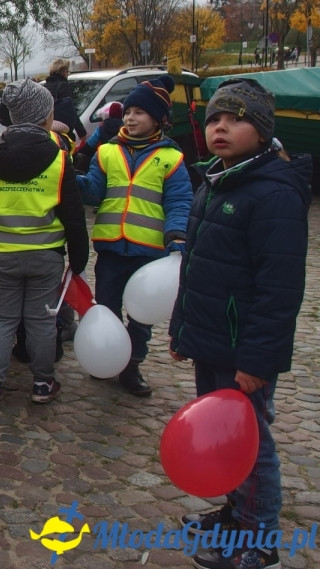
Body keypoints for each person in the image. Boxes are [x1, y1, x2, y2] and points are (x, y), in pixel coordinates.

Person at [170, 79, 312, 569]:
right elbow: (196, 269)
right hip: (212, 342)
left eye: (235, 118)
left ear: (263, 129)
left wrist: (257, 359)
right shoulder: (216, 180)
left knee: (251, 443)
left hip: (243, 351)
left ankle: (260, 540)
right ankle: (236, 514)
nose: (221, 127)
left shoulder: (273, 194)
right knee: (224, 437)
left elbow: (279, 291)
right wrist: (181, 327)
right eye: (214, 119)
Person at [0, 79, 88, 409]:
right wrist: (78, 258)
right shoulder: (60, 159)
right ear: (46, 117)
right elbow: (73, 214)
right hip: (46, 254)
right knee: (40, 322)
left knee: (1, 320)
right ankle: (42, 382)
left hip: (2, 252)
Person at [77, 75, 192, 397]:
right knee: (108, 309)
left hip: (149, 252)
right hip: (112, 248)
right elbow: (95, 190)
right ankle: (107, 357)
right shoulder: (107, 152)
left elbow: (180, 201)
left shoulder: (171, 159)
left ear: (158, 118)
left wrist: (177, 235)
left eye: (139, 112)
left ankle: (132, 366)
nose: (130, 117)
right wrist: (74, 180)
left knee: (141, 318)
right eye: (128, 111)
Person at [43, 58, 87, 143]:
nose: (68, 74)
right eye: (68, 72)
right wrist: (81, 132)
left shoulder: (45, 85)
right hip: (62, 129)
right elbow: (71, 110)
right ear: (63, 72)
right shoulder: (63, 86)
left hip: (48, 127)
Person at [73, 101, 123, 173]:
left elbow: (91, 143)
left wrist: (79, 152)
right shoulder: (125, 128)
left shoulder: (101, 127)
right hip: (121, 160)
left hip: (104, 160)